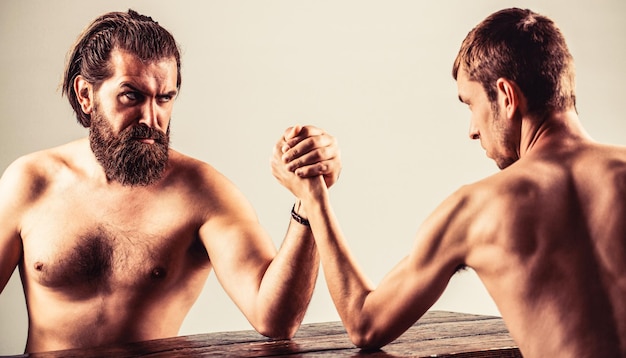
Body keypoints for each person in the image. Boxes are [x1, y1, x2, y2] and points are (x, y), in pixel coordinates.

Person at [272, 7, 625, 358]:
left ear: (506, 96)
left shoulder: (475, 210)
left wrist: (313, 198)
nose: (472, 130)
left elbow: (366, 323)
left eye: (470, 104)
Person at [0, 9, 341, 353]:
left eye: (164, 98)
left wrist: (308, 200)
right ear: (86, 96)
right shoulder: (30, 182)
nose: (151, 118)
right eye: (131, 95)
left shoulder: (202, 192)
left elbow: (275, 319)